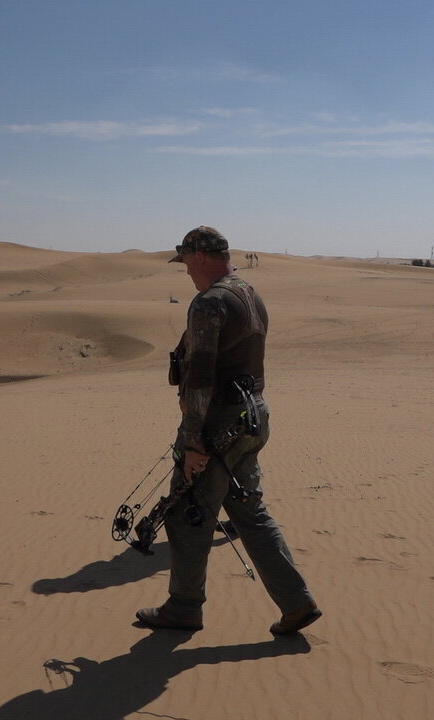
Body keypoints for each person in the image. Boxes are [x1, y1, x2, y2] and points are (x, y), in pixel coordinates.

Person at [136, 226, 321, 636]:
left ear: (200, 256)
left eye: (185, 261)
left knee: (186, 516)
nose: (185, 270)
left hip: (219, 424)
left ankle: (184, 608)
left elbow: (200, 378)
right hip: (253, 417)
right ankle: (297, 601)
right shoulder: (249, 294)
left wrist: (192, 439)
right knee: (249, 512)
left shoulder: (210, 302)